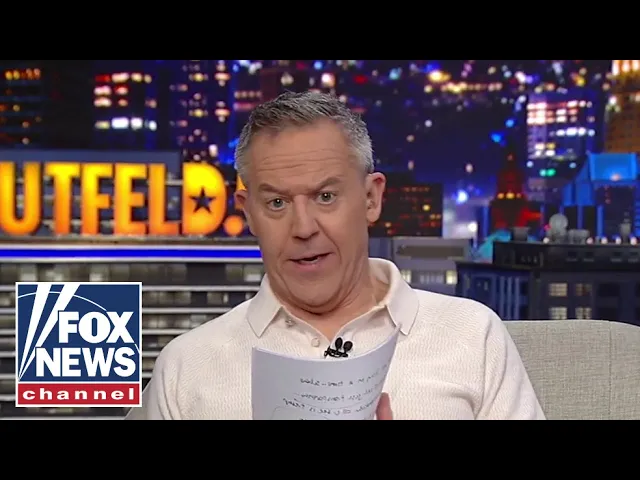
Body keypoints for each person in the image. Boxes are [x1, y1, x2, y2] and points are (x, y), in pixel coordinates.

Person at [125, 91, 545, 420]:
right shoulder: (186, 366)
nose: (303, 227)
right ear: (247, 212)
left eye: (325, 196)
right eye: (276, 203)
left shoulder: (472, 335)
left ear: (371, 198)